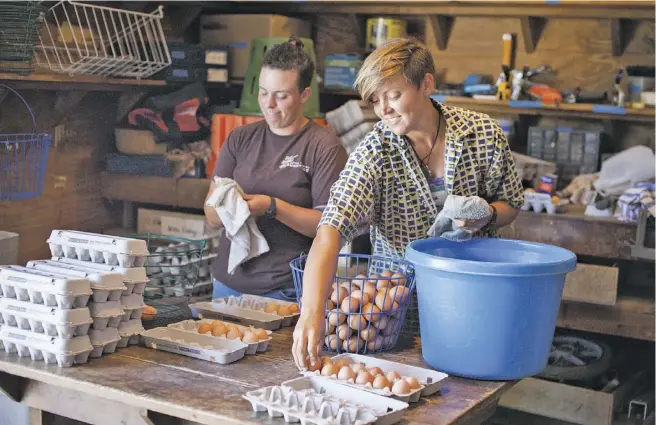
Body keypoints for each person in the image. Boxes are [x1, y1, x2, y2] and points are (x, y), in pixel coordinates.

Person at [292, 38, 524, 370]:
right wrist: (312, 312)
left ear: (426, 84)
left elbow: (512, 203)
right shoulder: (375, 152)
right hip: (394, 316)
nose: (383, 109)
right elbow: (331, 228)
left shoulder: (483, 134)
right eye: (375, 100)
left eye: (394, 95)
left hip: (474, 301)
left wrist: (486, 215)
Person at [204, 37, 348, 301]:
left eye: (281, 96)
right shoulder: (239, 138)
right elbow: (211, 216)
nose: (269, 104)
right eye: (263, 92)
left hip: (283, 290)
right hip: (226, 285)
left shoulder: (324, 146)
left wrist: (272, 207)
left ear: (304, 95)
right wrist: (231, 205)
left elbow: (328, 226)